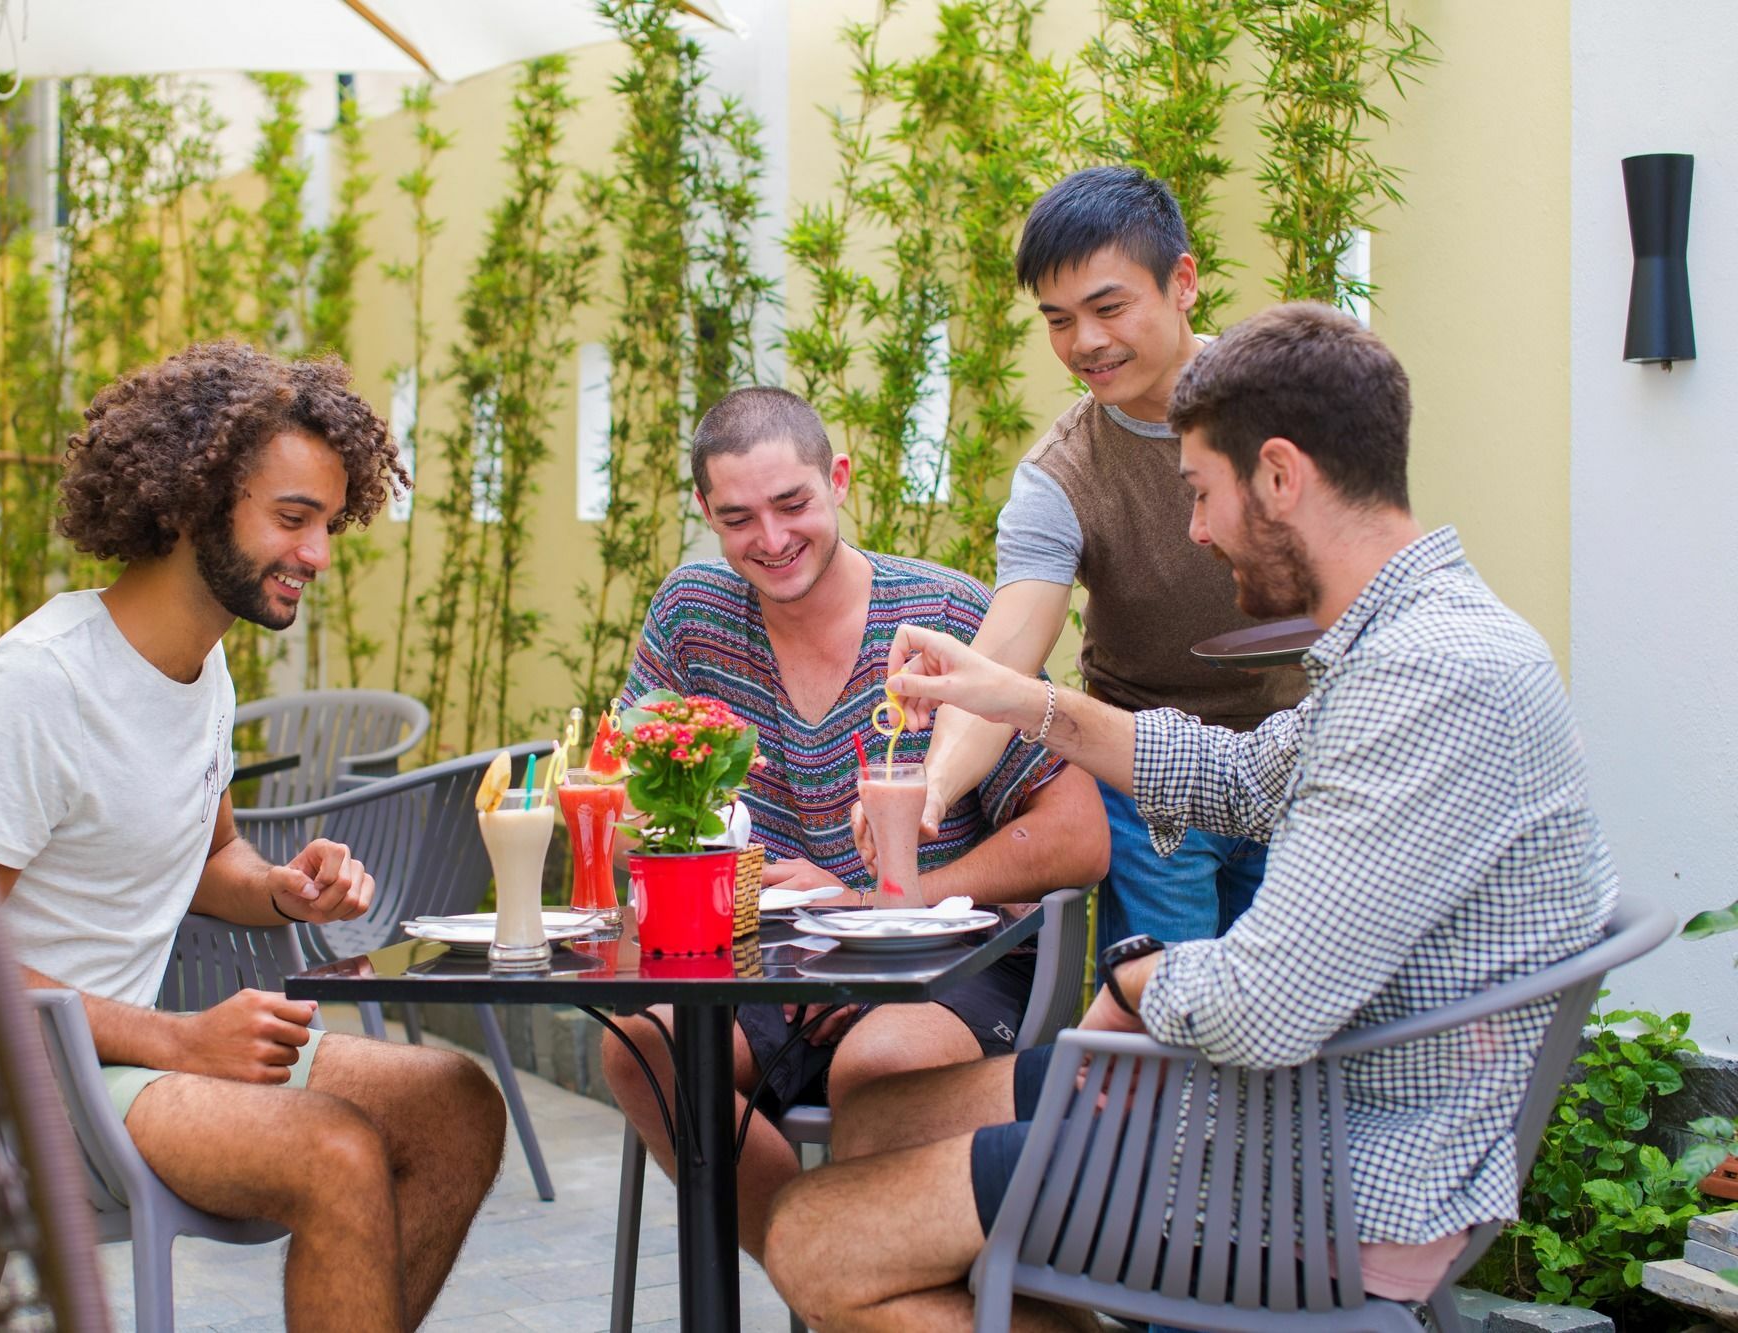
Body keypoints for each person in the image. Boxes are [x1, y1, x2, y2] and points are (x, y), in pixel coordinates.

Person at [761, 305, 1618, 1331]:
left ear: (1279, 476)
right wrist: (1012, 697)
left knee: (813, 1232)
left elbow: (1257, 1005)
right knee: (884, 1113)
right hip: (1280, 1108)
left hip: (1316, 1169)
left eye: (1201, 492)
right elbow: (1239, 777)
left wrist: (1129, 968)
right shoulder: (1413, 642)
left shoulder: (1432, 680)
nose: (1197, 530)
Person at [0, 341, 504, 1331]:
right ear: (192, 504)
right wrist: (176, 1038)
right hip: (0, 1087)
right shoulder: (37, 686)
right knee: (330, 1148)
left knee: (455, 1103)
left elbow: (209, 863)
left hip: (123, 1064)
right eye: (292, 519)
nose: (318, 554)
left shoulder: (201, 672)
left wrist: (285, 886)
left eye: (328, 522)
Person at [599, 386, 1110, 1260]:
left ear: (838, 478)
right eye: (738, 518)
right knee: (643, 1047)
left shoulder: (946, 616)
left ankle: (854, 1271)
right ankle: (833, 1281)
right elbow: (619, 806)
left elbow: (1080, 834)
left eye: (792, 503)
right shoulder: (693, 614)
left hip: (955, 960)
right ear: (705, 514)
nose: (770, 538)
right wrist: (718, 854)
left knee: (879, 1068)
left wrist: (879, 901)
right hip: (773, 962)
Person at [920, 165, 1309, 956]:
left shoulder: (1290, 400)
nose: (1086, 343)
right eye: (1059, 320)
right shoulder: (1059, 475)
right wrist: (929, 787)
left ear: (1183, 283)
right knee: (1160, 1026)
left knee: (1292, 1023)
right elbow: (1005, 648)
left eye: (1109, 307)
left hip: (1298, 755)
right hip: (1148, 781)